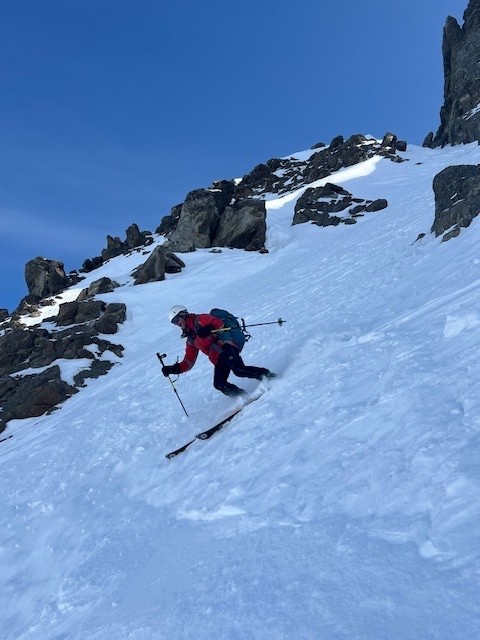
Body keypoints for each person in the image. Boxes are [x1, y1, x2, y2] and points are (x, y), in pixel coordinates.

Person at [161, 305, 275, 397]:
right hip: (219, 358)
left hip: (227, 347)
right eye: (174, 322)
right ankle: (266, 378)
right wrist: (172, 369)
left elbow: (219, 323)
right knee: (239, 371)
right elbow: (188, 362)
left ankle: (245, 395)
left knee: (221, 381)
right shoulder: (191, 339)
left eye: (177, 319)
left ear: (183, 315)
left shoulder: (200, 319)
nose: (177, 323)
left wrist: (208, 328)